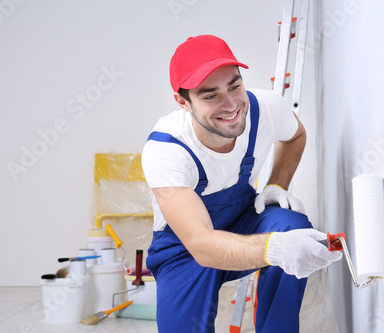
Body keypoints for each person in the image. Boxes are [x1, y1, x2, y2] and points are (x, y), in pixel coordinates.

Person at [141, 34, 341, 332]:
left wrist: (278, 184)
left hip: (242, 220)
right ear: (183, 101)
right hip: (186, 248)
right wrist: (276, 249)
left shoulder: (265, 109)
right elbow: (201, 244)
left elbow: (296, 134)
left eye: (234, 85)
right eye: (210, 96)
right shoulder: (167, 151)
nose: (231, 104)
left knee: (291, 226)